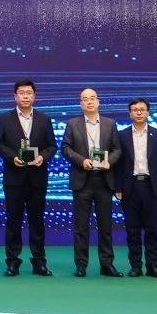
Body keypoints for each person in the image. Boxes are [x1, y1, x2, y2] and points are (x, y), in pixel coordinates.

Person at [0, 79, 57, 276]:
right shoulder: (5, 118)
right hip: (14, 178)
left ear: (34, 96)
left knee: (37, 222)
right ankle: (12, 262)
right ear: (15, 96)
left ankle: (39, 262)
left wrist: (42, 157)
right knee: (13, 222)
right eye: (22, 93)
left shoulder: (44, 119)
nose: (25, 96)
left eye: (29, 93)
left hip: (37, 178)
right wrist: (12, 157)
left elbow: (52, 146)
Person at [61, 88, 124, 278]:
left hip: (104, 180)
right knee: (81, 226)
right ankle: (81, 264)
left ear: (98, 102)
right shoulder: (72, 124)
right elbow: (65, 148)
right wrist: (81, 161)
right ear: (80, 104)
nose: (89, 102)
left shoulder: (110, 124)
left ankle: (107, 264)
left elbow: (117, 149)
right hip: (82, 180)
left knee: (106, 227)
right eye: (85, 99)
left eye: (92, 98)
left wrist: (109, 161)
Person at [115, 98, 157, 278]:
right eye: (135, 110)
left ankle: (152, 265)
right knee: (132, 230)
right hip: (129, 187)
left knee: (151, 229)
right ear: (129, 113)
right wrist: (118, 187)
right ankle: (135, 266)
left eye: (142, 109)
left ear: (148, 112)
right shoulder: (122, 135)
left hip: (151, 188)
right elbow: (118, 165)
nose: (138, 112)